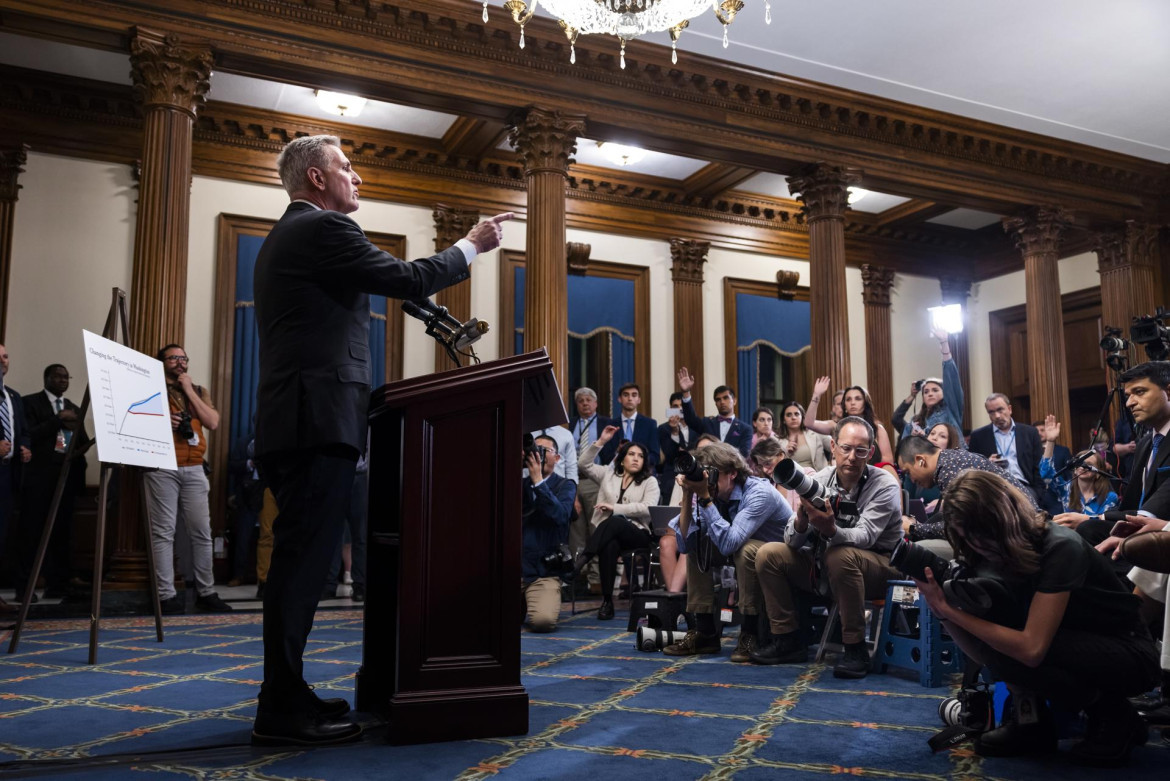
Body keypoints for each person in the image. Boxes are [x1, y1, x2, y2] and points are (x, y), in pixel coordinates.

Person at [252, 133, 511, 746]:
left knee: (302, 565)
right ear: (317, 179)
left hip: (302, 421)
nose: (358, 176)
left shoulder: (292, 235)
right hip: (313, 423)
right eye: (347, 167)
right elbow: (407, 276)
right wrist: (471, 246)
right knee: (302, 568)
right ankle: (281, 706)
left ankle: (285, 691)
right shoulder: (320, 230)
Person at [914, 470, 1160, 766]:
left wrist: (952, 611)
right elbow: (984, 653)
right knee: (999, 640)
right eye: (969, 537)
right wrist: (942, 612)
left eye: (983, 533)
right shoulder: (983, 551)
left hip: (1129, 653)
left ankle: (1114, 714)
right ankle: (1032, 724)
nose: (979, 545)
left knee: (1014, 642)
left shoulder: (1060, 546)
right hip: (1072, 642)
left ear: (1005, 516)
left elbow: (1031, 650)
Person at [750, 417, 903, 678]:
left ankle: (854, 648)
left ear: (871, 452)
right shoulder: (818, 480)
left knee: (840, 555)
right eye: (845, 448)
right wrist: (801, 521)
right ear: (833, 447)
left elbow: (866, 536)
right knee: (769, 554)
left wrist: (830, 530)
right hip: (827, 566)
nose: (852, 457)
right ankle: (787, 639)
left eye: (861, 450)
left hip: (882, 567)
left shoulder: (884, 484)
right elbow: (791, 540)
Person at [662, 440, 790, 661]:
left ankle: (750, 634)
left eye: (711, 474)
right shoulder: (714, 493)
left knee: (744, 548)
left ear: (732, 473)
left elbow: (731, 543)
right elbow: (684, 544)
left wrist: (704, 498)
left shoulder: (759, 492)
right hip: (748, 553)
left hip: (782, 557)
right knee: (698, 542)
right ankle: (705, 632)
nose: (706, 481)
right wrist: (686, 495)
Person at [142, 344, 231, 616]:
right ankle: (166, 596)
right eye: (173, 358)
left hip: (194, 468)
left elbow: (213, 422)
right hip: (162, 466)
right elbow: (135, 420)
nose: (180, 362)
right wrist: (161, 421)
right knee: (163, 532)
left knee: (202, 532)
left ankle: (207, 592)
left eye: (183, 358)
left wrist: (190, 389)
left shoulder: (198, 391)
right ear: (162, 362)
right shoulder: (150, 387)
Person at [16, 363, 91, 600]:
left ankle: (58, 584)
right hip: (38, 479)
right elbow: (27, 434)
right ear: (46, 378)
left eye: (66, 377)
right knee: (32, 532)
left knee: (62, 533)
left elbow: (82, 442)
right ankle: (25, 588)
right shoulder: (29, 403)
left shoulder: (73, 408)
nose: (62, 380)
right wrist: (58, 420)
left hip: (65, 479)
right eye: (57, 376)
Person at [575, 426, 660, 619]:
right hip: (610, 534)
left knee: (614, 522)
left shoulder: (650, 482)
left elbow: (648, 508)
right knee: (609, 545)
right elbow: (583, 464)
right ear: (622, 459)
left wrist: (616, 509)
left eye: (640, 455)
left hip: (637, 534)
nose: (636, 458)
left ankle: (584, 559)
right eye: (631, 454)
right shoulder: (608, 475)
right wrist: (601, 441)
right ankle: (607, 602)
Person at [897, 435, 1038, 543]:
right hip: (1018, 527)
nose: (912, 480)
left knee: (922, 551)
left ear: (921, 460)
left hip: (1017, 535)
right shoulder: (951, 460)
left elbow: (961, 528)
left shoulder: (949, 471)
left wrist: (913, 528)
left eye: (908, 472)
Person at [522, 434, 575, 633]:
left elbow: (560, 517)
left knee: (543, 622)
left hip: (544, 571)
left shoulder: (566, 485)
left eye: (545, 451)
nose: (539, 455)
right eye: (536, 450)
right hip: (516, 568)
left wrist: (538, 481)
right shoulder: (519, 484)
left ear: (557, 458)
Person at [569, 386, 616, 592]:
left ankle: (597, 578)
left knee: (596, 527)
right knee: (576, 530)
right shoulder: (570, 425)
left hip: (596, 479)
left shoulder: (607, 424)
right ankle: (578, 574)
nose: (585, 404)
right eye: (581, 401)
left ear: (596, 404)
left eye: (589, 400)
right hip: (572, 480)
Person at [970, 393, 1052, 512]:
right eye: (991, 412)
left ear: (1009, 409)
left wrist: (1039, 492)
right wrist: (987, 464)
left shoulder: (1029, 433)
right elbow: (972, 470)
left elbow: (1038, 467)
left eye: (1000, 410)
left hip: (1024, 487)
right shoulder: (979, 436)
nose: (997, 415)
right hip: (995, 488)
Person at [1039, 415, 1118, 528]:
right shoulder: (1067, 490)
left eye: (1089, 465)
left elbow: (1105, 525)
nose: (1083, 466)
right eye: (1080, 463)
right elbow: (1046, 474)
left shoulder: (1110, 497)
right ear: (1075, 470)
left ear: (1098, 473)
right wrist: (1050, 441)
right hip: (1070, 540)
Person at [0, 345, 31, 614]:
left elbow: (22, 430)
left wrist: (24, 446)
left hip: (8, 475)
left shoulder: (13, 396)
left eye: (6, 355)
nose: (3, 360)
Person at [891, 329, 965, 442]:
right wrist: (913, 438)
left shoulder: (951, 410)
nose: (930, 393)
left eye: (935, 390)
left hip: (951, 457)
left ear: (944, 393)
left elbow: (951, 379)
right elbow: (904, 447)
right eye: (926, 392)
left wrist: (944, 343)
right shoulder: (915, 421)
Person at [805, 379, 894, 463]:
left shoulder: (877, 429)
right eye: (848, 399)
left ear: (865, 403)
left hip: (872, 475)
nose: (852, 403)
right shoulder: (836, 426)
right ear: (844, 405)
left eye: (858, 398)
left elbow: (887, 460)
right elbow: (809, 423)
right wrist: (816, 395)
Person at [675, 367, 752, 457]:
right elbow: (690, 419)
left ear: (734, 401)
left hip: (732, 469)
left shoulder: (745, 429)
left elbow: (744, 454)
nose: (722, 402)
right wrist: (686, 392)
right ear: (715, 403)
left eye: (725, 398)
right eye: (718, 399)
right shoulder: (707, 423)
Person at [603, 383, 658, 471]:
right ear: (619, 399)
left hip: (643, 472)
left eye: (634, 395)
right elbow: (605, 456)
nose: (630, 398)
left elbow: (655, 456)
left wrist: (637, 463)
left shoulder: (650, 424)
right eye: (626, 395)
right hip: (617, 471)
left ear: (639, 400)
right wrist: (617, 452)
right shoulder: (610, 425)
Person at [657, 391, 697, 501]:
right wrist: (674, 432)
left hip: (694, 477)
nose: (680, 409)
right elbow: (670, 456)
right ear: (671, 408)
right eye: (675, 406)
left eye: (682, 405)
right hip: (671, 478)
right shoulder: (663, 429)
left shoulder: (697, 426)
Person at [777, 400, 832, 471]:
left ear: (802, 417)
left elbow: (835, 446)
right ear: (783, 420)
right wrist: (786, 452)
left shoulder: (815, 432)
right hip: (792, 478)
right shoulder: (777, 440)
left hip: (819, 476)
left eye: (796, 414)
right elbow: (775, 465)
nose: (793, 418)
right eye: (789, 415)